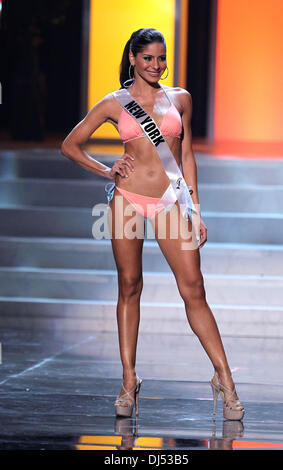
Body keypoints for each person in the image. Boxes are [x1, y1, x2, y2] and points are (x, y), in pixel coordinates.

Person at [61, 28, 244, 421]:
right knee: (129, 286)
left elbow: (188, 154)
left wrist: (195, 208)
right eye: (148, 58)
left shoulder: (180, 98)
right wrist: (106, 170)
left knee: (193, 288)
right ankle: (129, 380)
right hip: (127, 200)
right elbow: (70, 144)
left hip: (170, 202)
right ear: (132, 58)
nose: (156, 65)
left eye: (161, 58)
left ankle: (224, 378)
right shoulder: (114, 103)